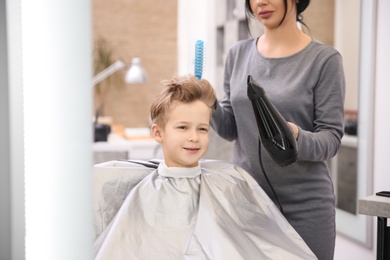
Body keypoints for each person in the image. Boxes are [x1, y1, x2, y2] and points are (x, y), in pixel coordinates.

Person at [93, 74, 317, 259]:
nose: (194, 137)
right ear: (158, 133)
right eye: (182, 127)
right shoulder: (142, 192)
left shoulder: (229, 179)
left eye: (202, 129)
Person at [211, 1, 345, 259]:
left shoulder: (324, 60)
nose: (260, 2)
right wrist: (209, 103)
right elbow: (230, 128)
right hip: (247, 203)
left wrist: (295, 135)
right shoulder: (238, 54)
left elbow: (331, 139)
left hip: (305, 209)